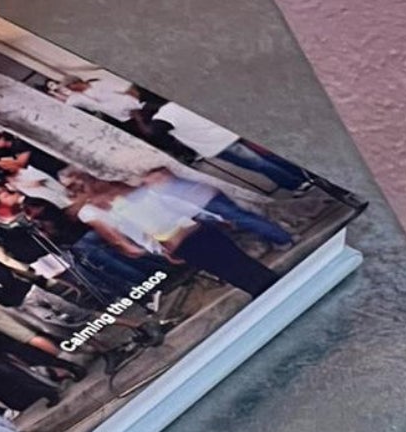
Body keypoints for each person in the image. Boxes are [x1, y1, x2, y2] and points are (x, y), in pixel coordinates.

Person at [72, 169, 287, 298]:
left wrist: (158, 249)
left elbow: (142, 233)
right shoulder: (138, 195)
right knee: (237, 261)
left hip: (182, 240)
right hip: (192, 232)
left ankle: (264, 290)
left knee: (229, 269)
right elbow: (176, 207)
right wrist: (212, 217)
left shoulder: (117, 211)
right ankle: (273, 285)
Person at [152, 103, 313, 191]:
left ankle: (295, 184)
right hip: (229, 133)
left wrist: (179, 148)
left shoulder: (164, 116)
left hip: (218, 145)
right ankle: (303, 175)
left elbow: (157, 132)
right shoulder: (180, 103)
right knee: (267, 157)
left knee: (259, 165)